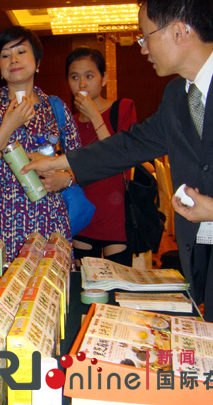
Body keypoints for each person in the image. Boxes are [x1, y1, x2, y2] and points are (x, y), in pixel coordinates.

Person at [23, 0, 213, 337]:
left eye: (146, 36)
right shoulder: (176, 96)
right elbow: (131, 144)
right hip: (211, 261)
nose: (143, 48)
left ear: (179, 30)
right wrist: (60, 162)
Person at [0, 25, 81, 261]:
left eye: (21, 51)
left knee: (49, 280)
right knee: (5, 282)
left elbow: (81, 162)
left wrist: (66, 178)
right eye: (5, 55)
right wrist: (9, 125)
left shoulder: (55, 107)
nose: (14, 60)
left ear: (37, 62)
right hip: (2, 218)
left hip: (51, 217)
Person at [66, 47, 137, 266]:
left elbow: (119, 159)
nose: (82, 84)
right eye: (74, 77)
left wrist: (95, 116)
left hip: (117, 215)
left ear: (103, 78)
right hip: (84, 214)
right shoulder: (70, 122)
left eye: (89, 76)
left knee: (118, 282)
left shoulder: (122, 108)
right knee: (85, 282)